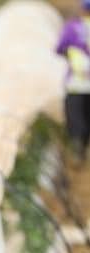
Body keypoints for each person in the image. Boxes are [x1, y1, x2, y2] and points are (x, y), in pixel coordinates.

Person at [56, 0, 90, 162]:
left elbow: (59, 48)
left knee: (76, 118)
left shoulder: (72, 28)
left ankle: (78, 150)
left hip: (76, 84)